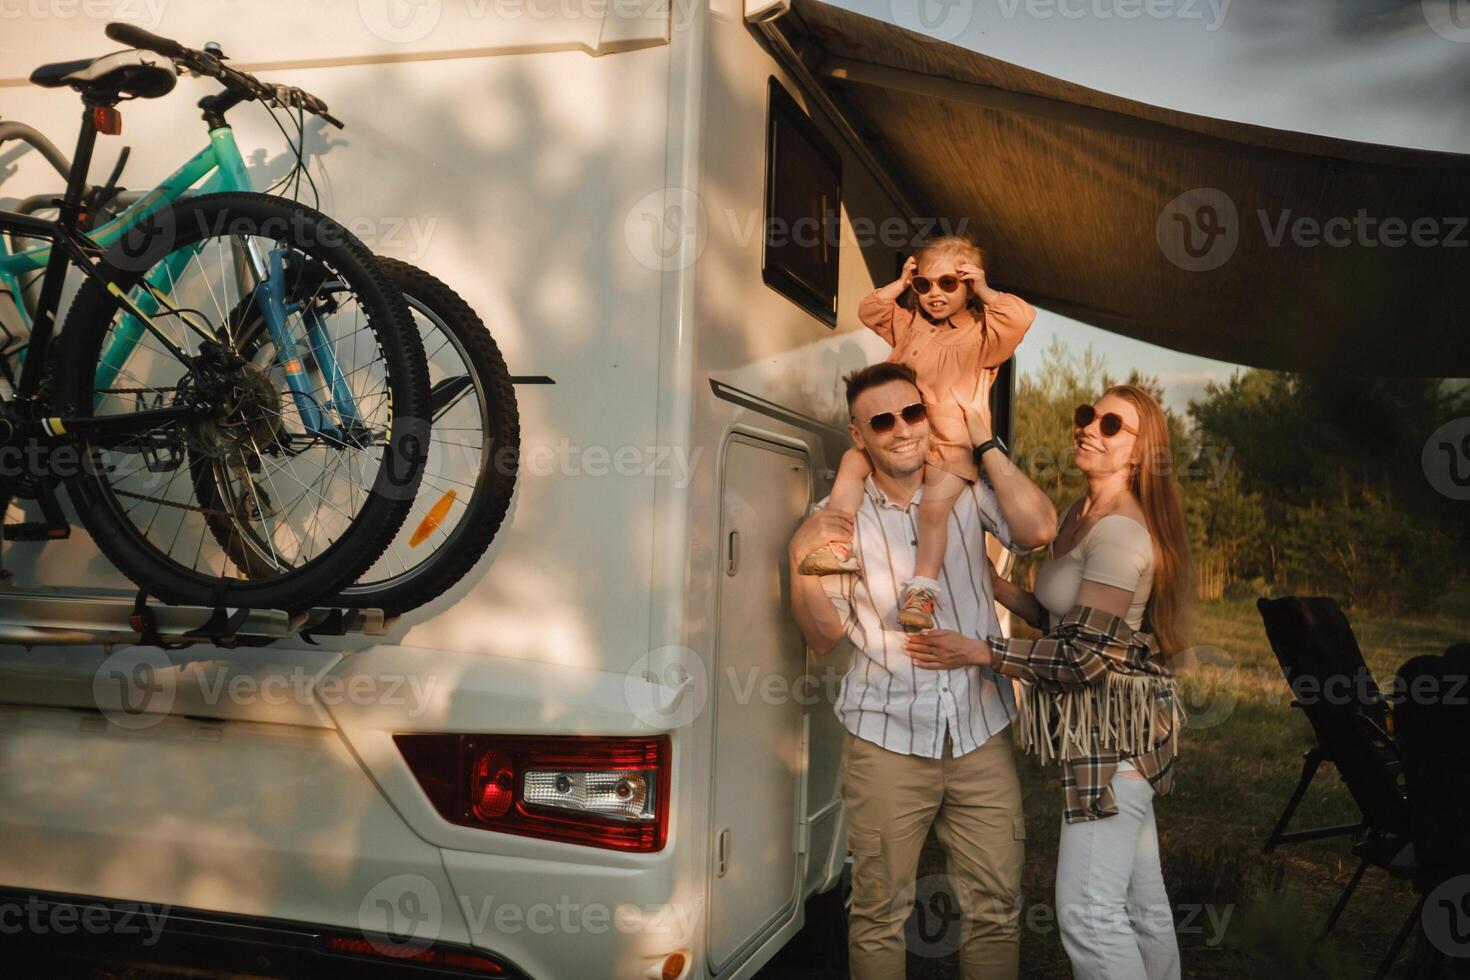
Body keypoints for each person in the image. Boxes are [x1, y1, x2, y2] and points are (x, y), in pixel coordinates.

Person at [788, 360, 1056, 980]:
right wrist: (797, 552)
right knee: (879, 913)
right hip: (884, 740)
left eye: (913, 412)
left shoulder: (966, 491)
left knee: (995, 907)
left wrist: (986, 444)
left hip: (978, 733)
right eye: (883, 420)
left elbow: (1038, 528)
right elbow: (824, 634)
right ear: (859, 437)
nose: (903, 429)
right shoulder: (838, 518)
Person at [920, 384, 1192, 980]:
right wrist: (993, 586)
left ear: (1141, 452)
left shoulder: (1120, 533)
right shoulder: (1080, 513)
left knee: (1087, 915)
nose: (1090, 427)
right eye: (1087, 415)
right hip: (1111, 734)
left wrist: (979, 651)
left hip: (1115, 742)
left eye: (1112, 425)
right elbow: (1064, 618)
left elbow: (1084, 657)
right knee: (1142, 906)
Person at [796, 236, 1036, 631]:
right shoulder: (910, 325)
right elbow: (870, 309)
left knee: (933, 514)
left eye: (949, 283)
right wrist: (902, 282)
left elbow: (1019, 317)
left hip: (950, 447)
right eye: (924, 285)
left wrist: (984, 287)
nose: (934, 294)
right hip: (902, 439)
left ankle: (921, 594)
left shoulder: (981, 336)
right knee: (852, 462)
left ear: (968, 286)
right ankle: (838, 543)